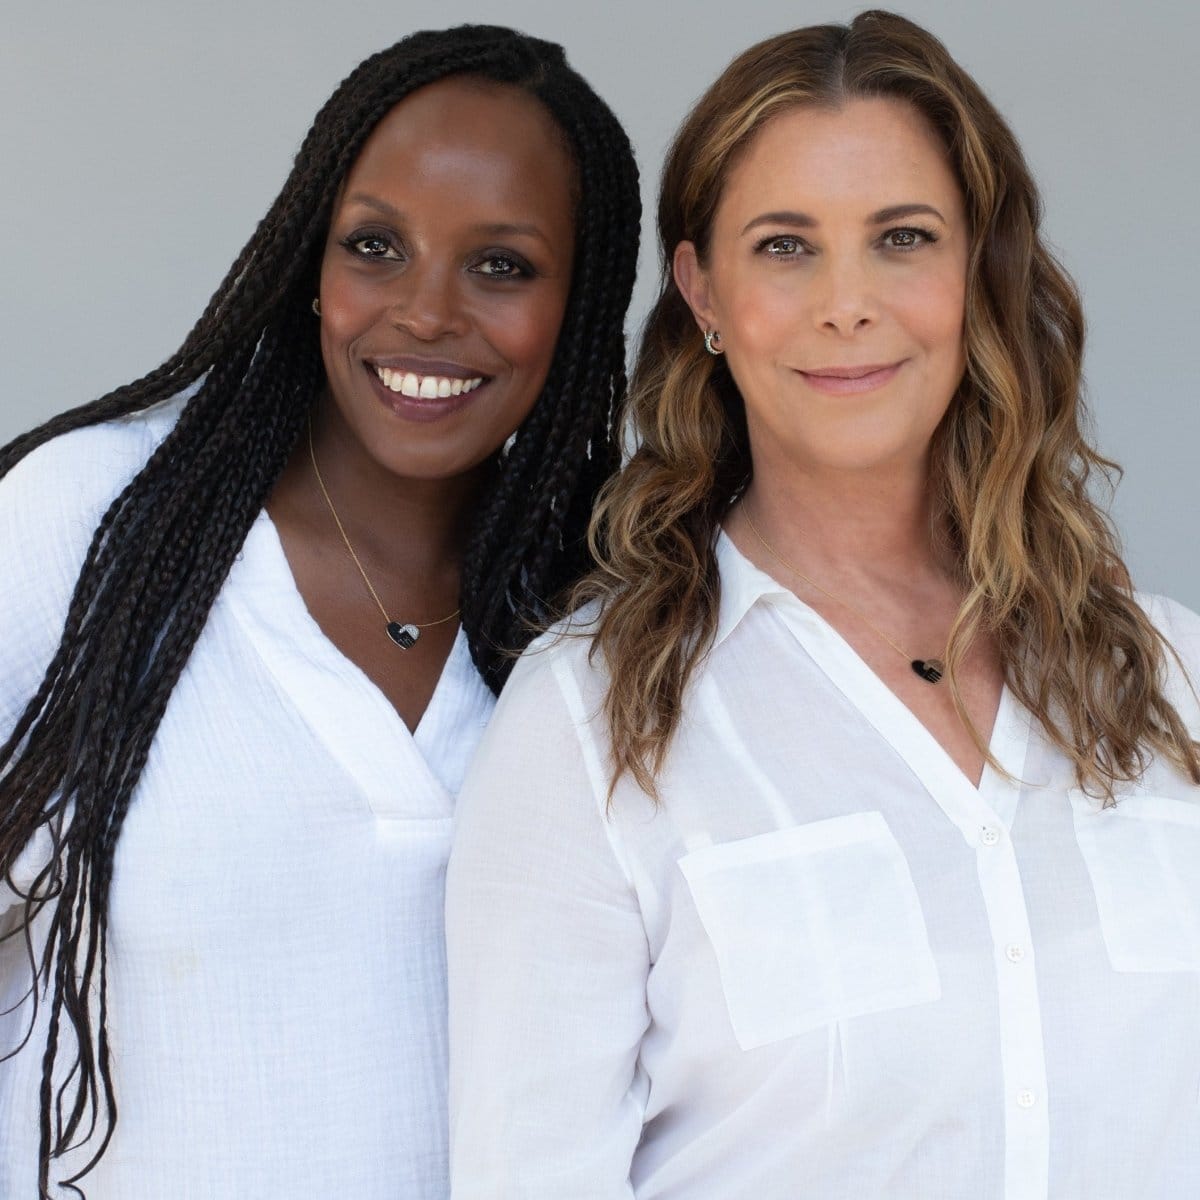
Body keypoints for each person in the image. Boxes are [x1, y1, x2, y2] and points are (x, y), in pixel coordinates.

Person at [445, 10, 1200, 1198]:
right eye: (786, 247)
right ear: (703, 289)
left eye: (901, 237)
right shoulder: (590, 728)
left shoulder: (1169, 674)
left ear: (975, 270)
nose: (847, 303)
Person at [0, 24, 638, 1199]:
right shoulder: (94, 520)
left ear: (583, 303)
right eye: (375, 247)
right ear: (309, 262)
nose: (428, 313)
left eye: (503, 265)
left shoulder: (607, 622)